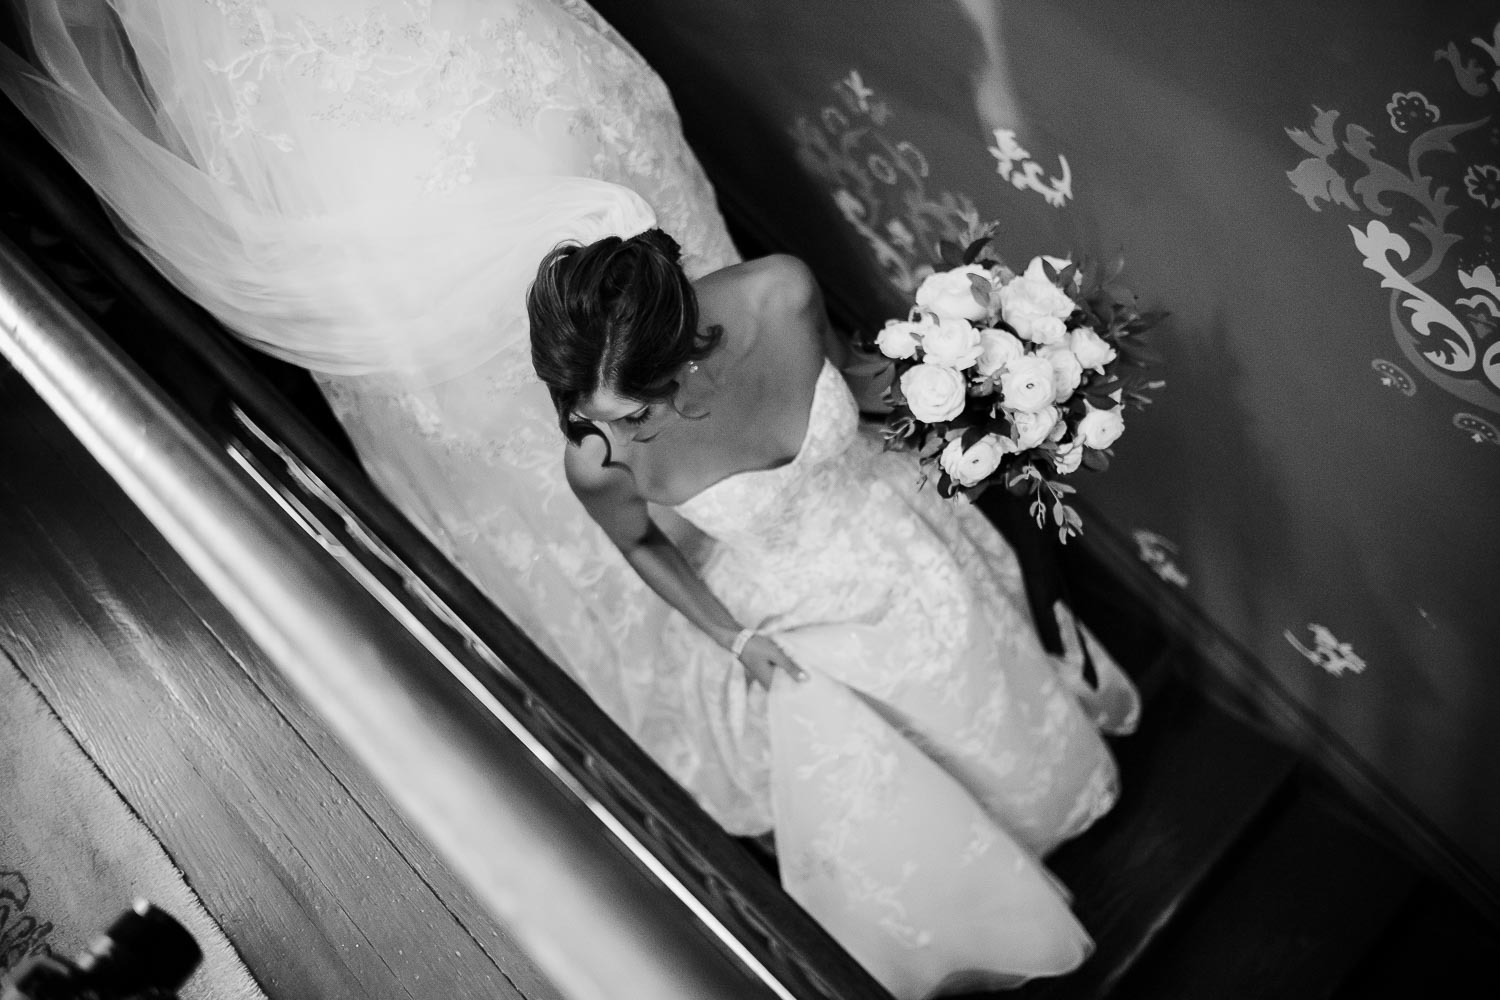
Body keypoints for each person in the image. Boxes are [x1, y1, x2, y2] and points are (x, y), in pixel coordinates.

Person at [527, 229, 1140, 997]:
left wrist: (982, 386)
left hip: (896, 528)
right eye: (592, 414)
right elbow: (643, 545)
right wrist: (734, 637)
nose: (608, 434)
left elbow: (856, 381)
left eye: (631, 413)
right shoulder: (598, 458)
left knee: (970, 675)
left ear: (681, 359)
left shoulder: (782, 291)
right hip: (791, 605)